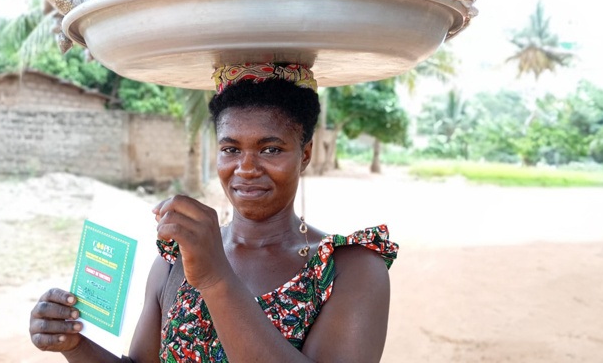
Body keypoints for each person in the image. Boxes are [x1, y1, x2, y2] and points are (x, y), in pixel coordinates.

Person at [29, 64, 399, 363]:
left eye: (270, 149)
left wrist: (216, 279)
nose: (247, 168)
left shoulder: (350, 270)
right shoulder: (178, 260)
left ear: (305, 154)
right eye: (230, 149)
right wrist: (73, 345)